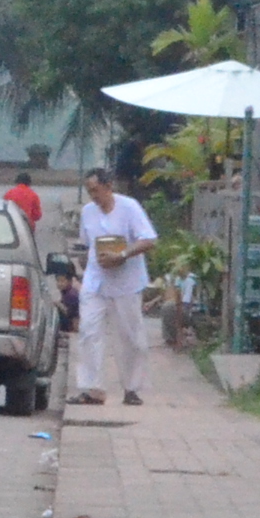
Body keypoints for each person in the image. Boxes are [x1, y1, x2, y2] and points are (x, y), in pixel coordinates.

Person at [69, 168, 158, 407]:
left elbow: (149, 239)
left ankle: (131, 388)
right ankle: (91, 389)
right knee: (88, 331)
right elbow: (86, 245)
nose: (93, 197)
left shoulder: (129, 208)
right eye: (89, 192)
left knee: (130, 337)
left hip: (126, 283)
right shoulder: (88, 213)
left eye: (96, 191)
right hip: (96, 281)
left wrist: (124, 254)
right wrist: (84, 260)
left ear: (108, 187)